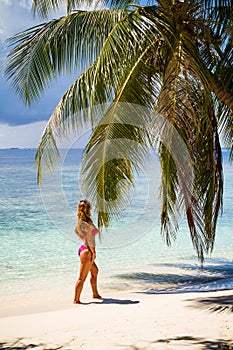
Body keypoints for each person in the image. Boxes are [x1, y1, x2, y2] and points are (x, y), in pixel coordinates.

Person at [73, 199, 102, 304]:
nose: (92, 207)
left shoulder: (81, 221)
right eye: (90, 205)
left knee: (95, 271)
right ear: (88, 208)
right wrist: (93, 252)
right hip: (88, 251)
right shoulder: (88, 222)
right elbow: (90, 239)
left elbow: (76, 230)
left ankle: (95, 294)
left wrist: (82, 237)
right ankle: (76, 300)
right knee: (81, 278)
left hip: (83, 249)